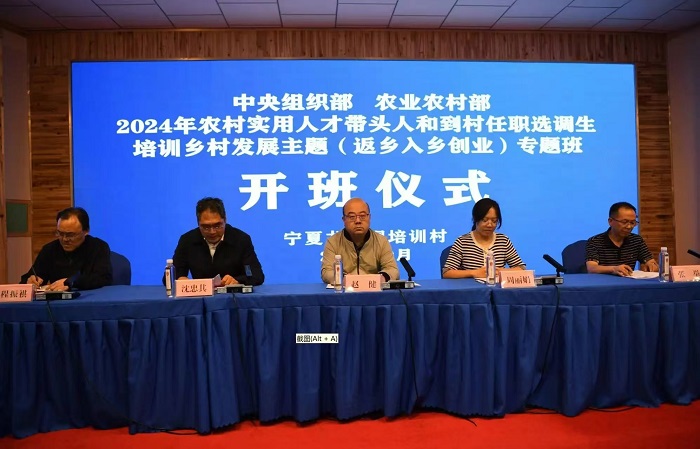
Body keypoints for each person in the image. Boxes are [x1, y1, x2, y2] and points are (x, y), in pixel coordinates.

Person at [169, 197, 264, 286]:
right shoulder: (187, 240)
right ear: (198, 223)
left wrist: (237, 280)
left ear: (225, 220)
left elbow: (257, 276)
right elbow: (169, 278)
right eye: (206, 227)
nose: (212, 232)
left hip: (232, 296)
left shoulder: (241, 239)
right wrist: (180, 278)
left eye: (217, 226)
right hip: (200, 296)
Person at [20, 207, 112, 291]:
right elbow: (32, 276)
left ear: (86, 231)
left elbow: (103, 278)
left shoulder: (98, 247)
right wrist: (30, 281)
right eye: (60, 233)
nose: (64, 239)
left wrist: (71, 282)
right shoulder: (49, 250)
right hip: (57, 301)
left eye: (70, 235)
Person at [321, 197, 399, 284]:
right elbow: (327, 272)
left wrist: (381, 278)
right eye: (352, 217)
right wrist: (343, 279)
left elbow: (392, 269)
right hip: (345, 290)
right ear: (344, 220)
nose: (358, 221)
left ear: (369, 217)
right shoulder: (333, 242)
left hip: (373, 290)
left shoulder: (381, 241)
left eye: (362, 216)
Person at [442, 198, 525, 278]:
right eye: (485, 220)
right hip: (471, 287)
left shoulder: (503, 241)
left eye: (494, 221)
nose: (490, 225)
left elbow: (521, 268)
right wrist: (474, 273)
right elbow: (447, 272)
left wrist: (501, 271)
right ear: (476, 219)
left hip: (496, 287)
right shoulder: (462, 242)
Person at [585, 202, 658, 276]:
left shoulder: (636, 240)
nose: (629, 226)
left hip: (628, 281)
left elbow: (650, 262)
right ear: (610, 221)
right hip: (603, 282)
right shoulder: (595, 241)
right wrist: (614, 269)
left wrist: (651, 265)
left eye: (632, 222)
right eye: (624, 222)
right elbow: (592, 268)